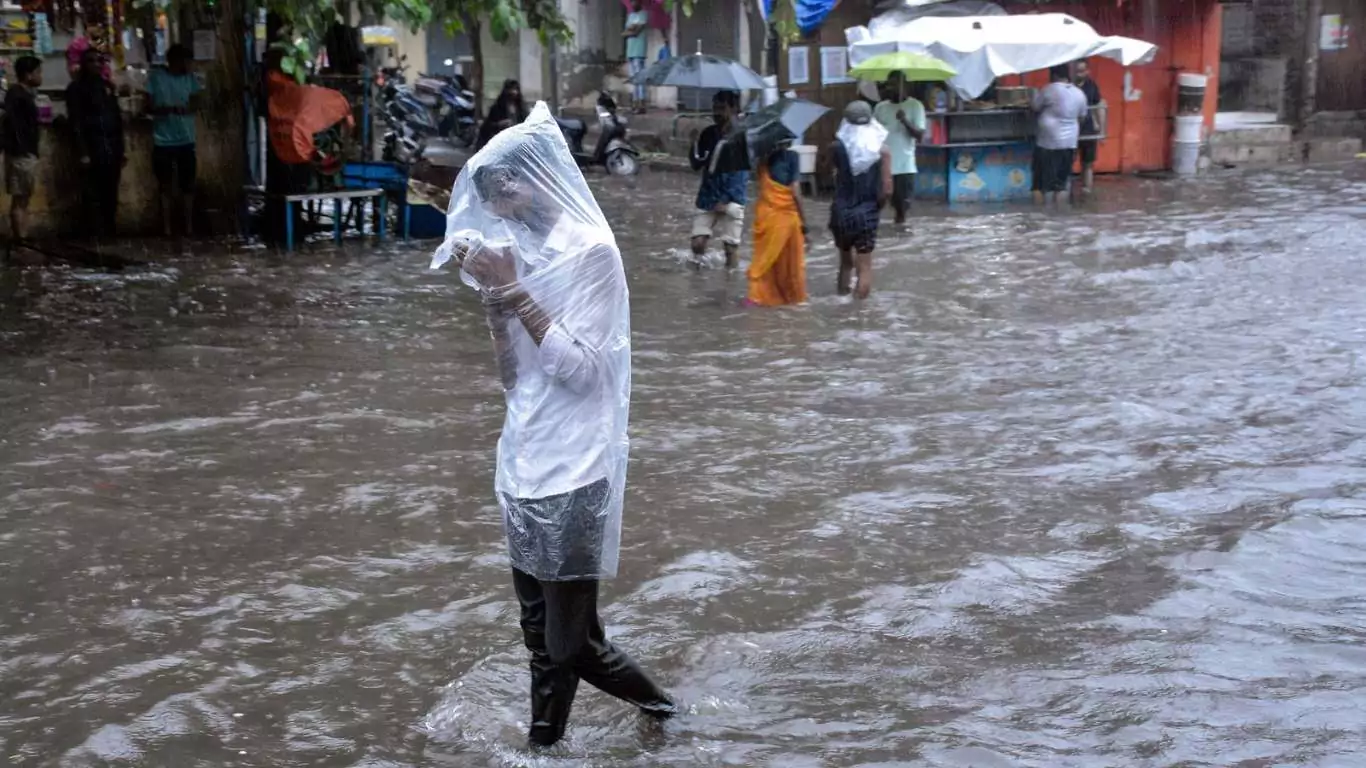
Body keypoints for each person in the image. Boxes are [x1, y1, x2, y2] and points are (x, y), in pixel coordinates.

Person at [432, 102, 675, 749]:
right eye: (495, 199)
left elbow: (584, 371)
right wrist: (494, 301)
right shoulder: (522, 255)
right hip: (523, 460)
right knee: (540, 636)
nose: (506, 205)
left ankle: (664, 709)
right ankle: (544, 750)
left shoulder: (590, 252)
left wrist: (514, 291)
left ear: (542, 172)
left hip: (577, 467)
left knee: (572, 641)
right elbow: (517, 379)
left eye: (511, 186)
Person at [829, 101, 890, 300]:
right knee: (864, 269)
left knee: (845, 264)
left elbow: (833, 177)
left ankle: (841, 309)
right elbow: (887, 190)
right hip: (866, 213)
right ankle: (857, 317)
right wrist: (876, 208)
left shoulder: (836, 148)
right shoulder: (882, 151)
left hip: (840, 212)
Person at [66, 47, 125, 237]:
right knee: (92, 192)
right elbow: (76, 121)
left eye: (99, 61)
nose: (96, 65)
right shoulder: (76, 89)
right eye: (91, 61)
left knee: (111, 191)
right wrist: (83, 151)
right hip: (92, 145)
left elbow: (116, 119)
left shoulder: (106, 87)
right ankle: (93, 231)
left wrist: (121, 149)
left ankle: (109, 228)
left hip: (111, 145)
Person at [146, 43, 203, 237]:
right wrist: (168, 109)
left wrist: (187, 107)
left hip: (186, 139)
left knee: (188, 186)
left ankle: (188, 226)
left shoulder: (191, 79)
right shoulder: (156, 78)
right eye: (186, 61)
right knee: (165, 186)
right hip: (163, 141)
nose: (189, 65)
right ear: (175, 61)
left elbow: (197, 102)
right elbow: (148, 106)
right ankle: (167, 228)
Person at [689, 90, 747, 269]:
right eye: (714, 108)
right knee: (697, 243)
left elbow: (741, 173)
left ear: (733, 109)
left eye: (721, 108)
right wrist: (694, 143)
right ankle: (697, 282)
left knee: (730, 247)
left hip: (732, 198)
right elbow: (696, 165)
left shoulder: (742, 136)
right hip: (708, 196)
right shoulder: (708, 134)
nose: (716, 113)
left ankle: (729, 283)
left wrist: (725, 201)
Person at [747, 140, 807, 306]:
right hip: (786, 218)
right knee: (790, 263)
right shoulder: (792, 157)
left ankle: (756, 297)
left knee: (764, 259)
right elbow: (795, 192)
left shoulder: (762, 160)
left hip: (766, 216)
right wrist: (805, 222)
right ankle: (790, 300)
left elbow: (762, 188)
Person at [872, 72, 926, 226]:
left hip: (904, 165)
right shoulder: (880, 107)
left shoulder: (915, 106)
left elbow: (920, 136)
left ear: (905, 86)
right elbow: (872, 133)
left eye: (895, 84)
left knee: (901, 208)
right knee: (877, 202)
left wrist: (905, 121)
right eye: (889, 84)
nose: (891, 88)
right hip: (882, 164)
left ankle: (900, 233)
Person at [1030, 64, 1088, 206]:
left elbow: (1034, 107)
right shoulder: (1079, 93)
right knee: (1061, 183)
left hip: (1047, 143)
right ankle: (1059, 217)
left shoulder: (1048, 89)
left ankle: (1038, 216)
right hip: (1069, 143)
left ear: (1053, 75)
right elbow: (1082, 116)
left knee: (1039, 184)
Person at [3, 55, 43, 244]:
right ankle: (21, 238)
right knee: (20, 198)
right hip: (21, 153)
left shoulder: (21, 94)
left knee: (23, 197)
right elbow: (11, 123)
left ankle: (23, 237)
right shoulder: (17, 95)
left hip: (23, 151)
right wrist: (22, 148)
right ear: (28, 75)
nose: (40, 76)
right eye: (38, 72)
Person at [1072, 59, 1106, 196]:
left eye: (1082, 71)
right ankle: (1068, 191)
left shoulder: (1092, 86)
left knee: (1088, 163)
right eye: (1077, 71)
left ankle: (1087, 191)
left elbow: (1099, 107)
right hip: (1071, 131)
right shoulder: (1069, 86)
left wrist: (1102, 131)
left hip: (1088, 130)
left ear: (1087, 71)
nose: (1080, 74)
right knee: (1069, 161)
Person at [475, 79, 528, 150]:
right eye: (511, 89)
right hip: (502, 144)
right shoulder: (497, 108)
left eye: (515, 89)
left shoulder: (521, 109)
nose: (513, 92)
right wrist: (499, 124)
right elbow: (486, 127)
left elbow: (527, 124)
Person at [623, 0, 650, 113]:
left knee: (640, 79)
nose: (633, 4)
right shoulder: (630, 16)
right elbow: (625, 32)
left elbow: (636, 32)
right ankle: (634, 103)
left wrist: (631, 31)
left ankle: (641, 104)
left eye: (635, 2)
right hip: (630, 51)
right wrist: (631, 30)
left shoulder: (643, 14)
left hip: (639, 51)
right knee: (634, 79)